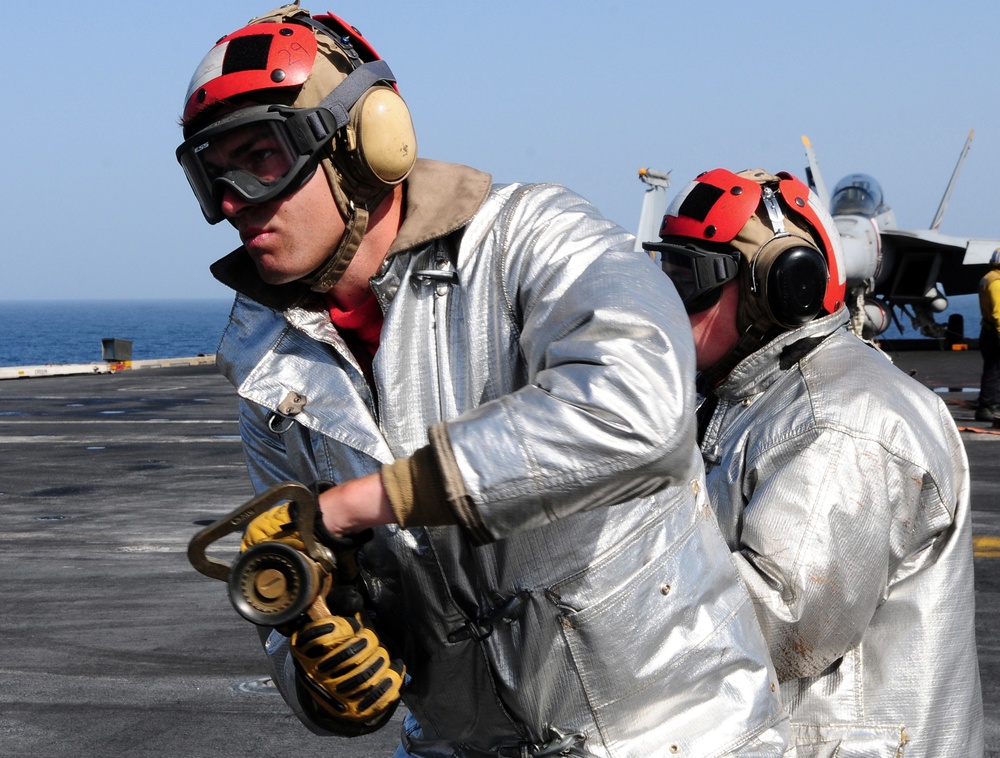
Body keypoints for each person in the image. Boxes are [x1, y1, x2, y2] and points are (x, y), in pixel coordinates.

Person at [175, 4, 790, 756]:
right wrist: (314, 655)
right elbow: (319, 604)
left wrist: (373, 499)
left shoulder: (533, 241)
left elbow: (642, 411)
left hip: (670, 739)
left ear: (367, 142)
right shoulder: (269, 363)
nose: (233, 198)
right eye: (213, 172)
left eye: (260, 157)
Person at [644, 167, 984, 757]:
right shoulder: (747, 396)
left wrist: (599, 607)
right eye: (666, 270)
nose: (670, 300)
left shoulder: (840, 424)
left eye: (689, 278)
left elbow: (781, 622)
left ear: (779, 285)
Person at [976, 248, 1000, 421]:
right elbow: (998, 314)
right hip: (995, 333)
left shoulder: (988, 277)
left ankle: (991, 405)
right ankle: (987, 408)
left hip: (988, 331)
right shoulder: (996, 282)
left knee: (994, 371)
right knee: (994, 372)